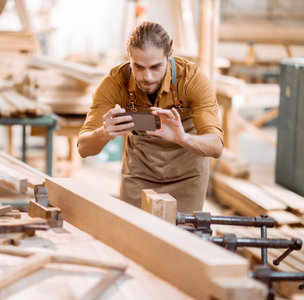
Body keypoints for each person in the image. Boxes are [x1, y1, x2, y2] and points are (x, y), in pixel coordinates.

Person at [77, 21, 223, 213]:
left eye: (155, 67)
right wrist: (104, 133)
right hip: (139, 176)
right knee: (135, 236)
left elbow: (216, 146)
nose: (147, 77)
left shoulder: (192, 80)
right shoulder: (114, 82)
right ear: (128, 55)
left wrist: (182, 137)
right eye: (138, 67)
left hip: (187, 177)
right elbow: (83, 148)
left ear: (170, 51)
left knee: (183, 238)